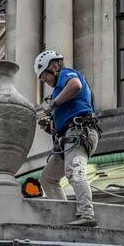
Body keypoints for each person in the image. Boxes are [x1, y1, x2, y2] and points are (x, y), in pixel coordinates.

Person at [34, 49, 99, 227]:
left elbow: (75, 85)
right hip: (67, 138)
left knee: (75, 172)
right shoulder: (58, 92)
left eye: (44, 75)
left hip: (79, 132)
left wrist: (53, 105)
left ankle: (87, 214)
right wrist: (50, 126)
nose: (44, 80)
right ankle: (64, 217)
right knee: (47, 179)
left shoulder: (67, 75)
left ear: (54, 66)